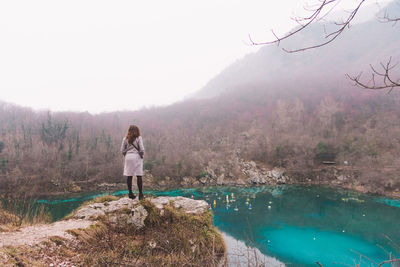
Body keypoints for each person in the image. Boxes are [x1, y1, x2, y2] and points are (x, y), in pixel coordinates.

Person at [121, 125, 145, 200]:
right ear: (137, 130)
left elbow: (122, 150)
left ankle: (130, 193)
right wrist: (141, 155)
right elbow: (142, 149)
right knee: (139, 175)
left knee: (129, 176)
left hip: (128, 158)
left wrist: (127, 155)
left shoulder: (125, 139)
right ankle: (140, 195)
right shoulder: (139, 138)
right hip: (137, 157)